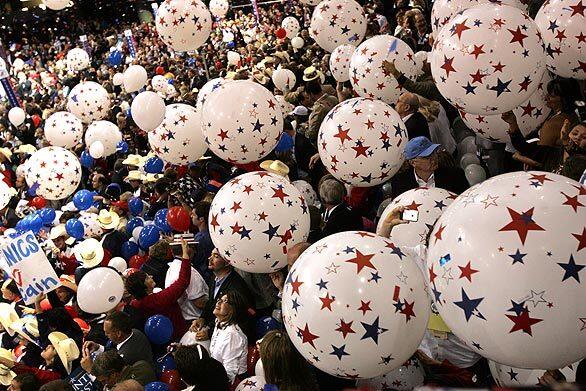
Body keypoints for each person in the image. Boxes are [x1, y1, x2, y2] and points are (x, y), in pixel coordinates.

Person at [125, 240, 192, 341]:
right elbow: (183, 282)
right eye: (147, 278)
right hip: (178, 337)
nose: (151, 276)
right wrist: (185, 254)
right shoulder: (159, 299)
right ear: (144, 287)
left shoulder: (135, 304)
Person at [193, 249, 253, 338]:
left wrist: (210, 333)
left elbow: (236, 318)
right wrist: (202, 318)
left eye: (216, 256)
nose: (210, 258)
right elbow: (211, 302)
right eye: (211, 255)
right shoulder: (214, 278)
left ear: (228, 262)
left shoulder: (236, 288)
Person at [391, 136, 469, 197]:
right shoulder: (399, 183)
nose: (434, 158)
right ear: (413, 162)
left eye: (434, 153)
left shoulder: (456, 176)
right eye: (427, 157)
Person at [208, 291, 248, 385]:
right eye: (220, 299)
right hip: (217, 375)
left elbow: (229, 375)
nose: (219, 302)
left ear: (232, 310)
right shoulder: (219, 322)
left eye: (225, 301)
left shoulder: (232, 335)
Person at [83, 311, 153, 366]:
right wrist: (98, 347)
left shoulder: (124, 358)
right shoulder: (135, 332)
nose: (105, 335)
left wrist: (90, 367)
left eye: (108, 332)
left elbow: (110, 379)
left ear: (118, 333)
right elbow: (117, 353)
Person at [165, 241, 209, 323]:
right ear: (186, 248)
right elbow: (199, 302)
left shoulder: (172, 268)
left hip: (184, 319)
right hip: (195, 322)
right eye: (192, 247)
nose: (195, 251)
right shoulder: (189, 272)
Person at [85, 350, 156, 388]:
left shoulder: (122, 389)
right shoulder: (143, 364)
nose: (104, 384)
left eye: (103, 381)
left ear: (113, 375)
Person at [190, 201, 214, 281]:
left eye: (193, 214)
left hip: (205, 276)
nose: (191, 216)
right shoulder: (213, 233)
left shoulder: (200, 239)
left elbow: (196, 260)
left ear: (201, 219)